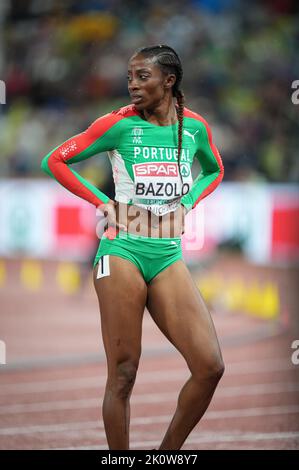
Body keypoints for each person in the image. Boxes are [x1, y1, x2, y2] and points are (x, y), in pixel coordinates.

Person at [41, 44, 225, 450]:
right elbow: (54, 161)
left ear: (169, 81)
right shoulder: (118, 125)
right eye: (129, 77)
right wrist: (102, 202)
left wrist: (190, 200)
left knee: (210, 367)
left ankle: (165, 456)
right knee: (123, 374)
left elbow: (215, 169)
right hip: (122, 249)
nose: (132, 86)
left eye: (143, 77)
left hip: (167, 253)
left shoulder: (194, 128)